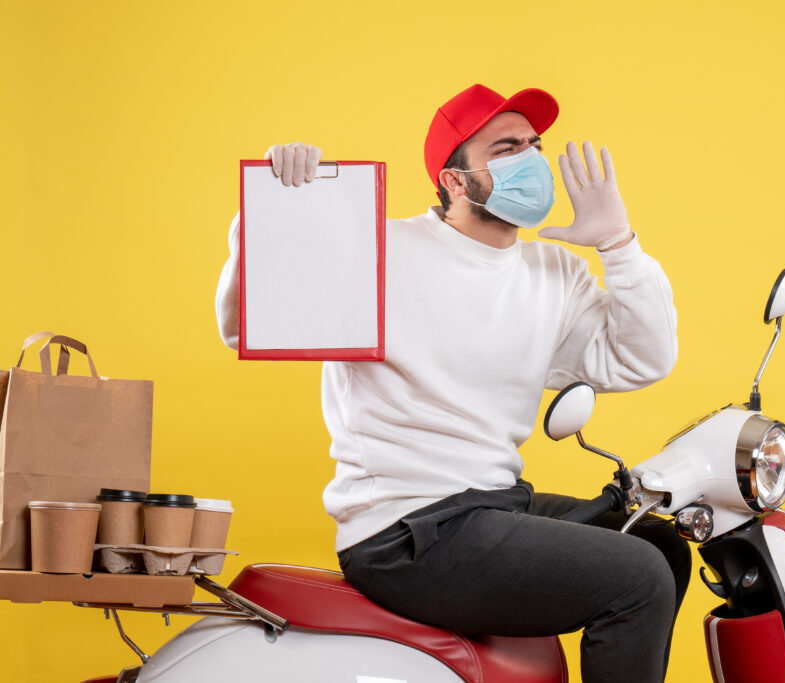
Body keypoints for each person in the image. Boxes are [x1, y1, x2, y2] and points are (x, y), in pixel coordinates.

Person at [215, 84, 690, 683]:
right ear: (455, 181)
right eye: (507, 149)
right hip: (405, 532)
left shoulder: (554, 274)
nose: (531, 160)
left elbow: (643, 358)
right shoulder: (378, 250)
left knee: (661, 546)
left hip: (492, 505)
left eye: (534, 146)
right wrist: (271, 206)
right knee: (638, 579)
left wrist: (618, 243)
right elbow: (244, 325)